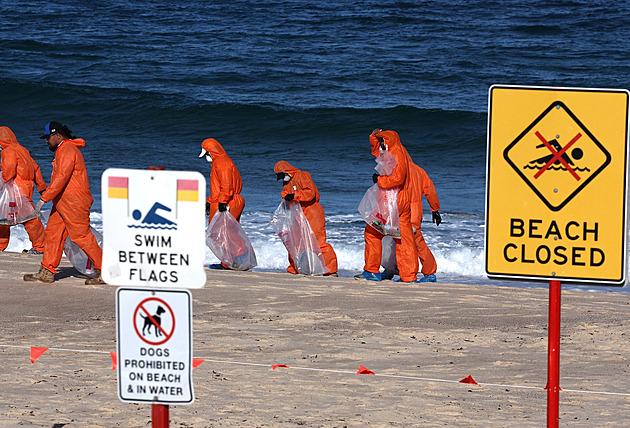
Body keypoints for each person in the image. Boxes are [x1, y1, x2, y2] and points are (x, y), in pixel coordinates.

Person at [23, 121, 104, 285]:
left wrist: (43, 199)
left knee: (81, 236)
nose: (46, 141)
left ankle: (104, 270)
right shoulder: (64, 149)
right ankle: (47, 271)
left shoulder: (67, 150)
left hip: (74, 202)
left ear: (57, 135)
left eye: (47, 138)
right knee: (53, 234)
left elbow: (61, 178)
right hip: (63, 202)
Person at [356, 129, 422, 283]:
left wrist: (380, 181)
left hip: (396, 203)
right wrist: (374, 136)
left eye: (382, 141)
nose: (380, 145)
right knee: (376, 233)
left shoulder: (396, 152)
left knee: (399, 239)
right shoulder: (389, 150)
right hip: (388, 202)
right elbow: (375, 150)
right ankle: (381, 272)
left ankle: (403, 274)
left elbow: (398, 178)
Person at [274, 161, 338, 276]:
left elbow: (310, 192)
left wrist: (294, 196)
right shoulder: (286, 181)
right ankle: (294, 267)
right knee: (295, 242)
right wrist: (287, 197)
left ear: (286, 172)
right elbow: (286, 194)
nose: (282, 179)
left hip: (312, 211)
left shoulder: (302, 175)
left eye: (282, 175)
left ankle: (330, 269)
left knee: (318, 242)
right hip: (297, 213)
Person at [198, 138, 245, 269]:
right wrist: (209, 202)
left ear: (211, 152)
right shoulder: (221, 162)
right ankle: (233, 260)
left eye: (207, 154)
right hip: (226, 200)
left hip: (228, 201)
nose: (207, 157)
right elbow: (219, 188)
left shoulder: (222, 163)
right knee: (225, 232)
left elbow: (226, 185)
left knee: (223, 233)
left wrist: (223, 202)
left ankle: (232, 261)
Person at [0, 126, 48, 254]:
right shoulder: (23, 150)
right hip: (26, 190)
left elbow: (8, 172)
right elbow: (36, 168)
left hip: (15, 192)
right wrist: (42, 187)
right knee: (25, 219)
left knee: (9, 219)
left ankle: (40, 247)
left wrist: (2, 178)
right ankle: (40, 246)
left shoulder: (8, 151)